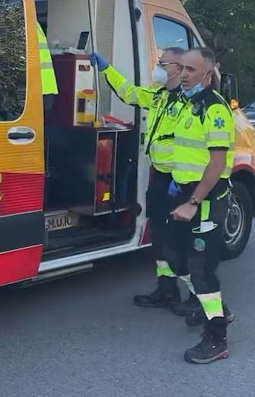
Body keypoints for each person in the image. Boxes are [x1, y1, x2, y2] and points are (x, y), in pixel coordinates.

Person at [91, 48, 193, 312]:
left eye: (163, 63)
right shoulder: (158, 97)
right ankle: (166, 290)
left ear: (179, 68)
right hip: (160, 178)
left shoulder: (190, 103)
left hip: (180, 181)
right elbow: (128, 92)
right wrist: (106, 68)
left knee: (178, 240)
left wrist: (184, 179)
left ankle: (198, 299)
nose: (157, 67)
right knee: (159, 237)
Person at [166, 47, 234, 364]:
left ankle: (216, 338)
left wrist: (194, 201)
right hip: (183, 192)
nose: (184, 73)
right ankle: (215, 306)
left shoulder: (215, 108)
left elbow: (217, 162)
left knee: (201, 270)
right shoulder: (185, 103)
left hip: (205, 199)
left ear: (208, 74)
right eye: (182, 68)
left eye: (192, 69)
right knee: (174, 258)